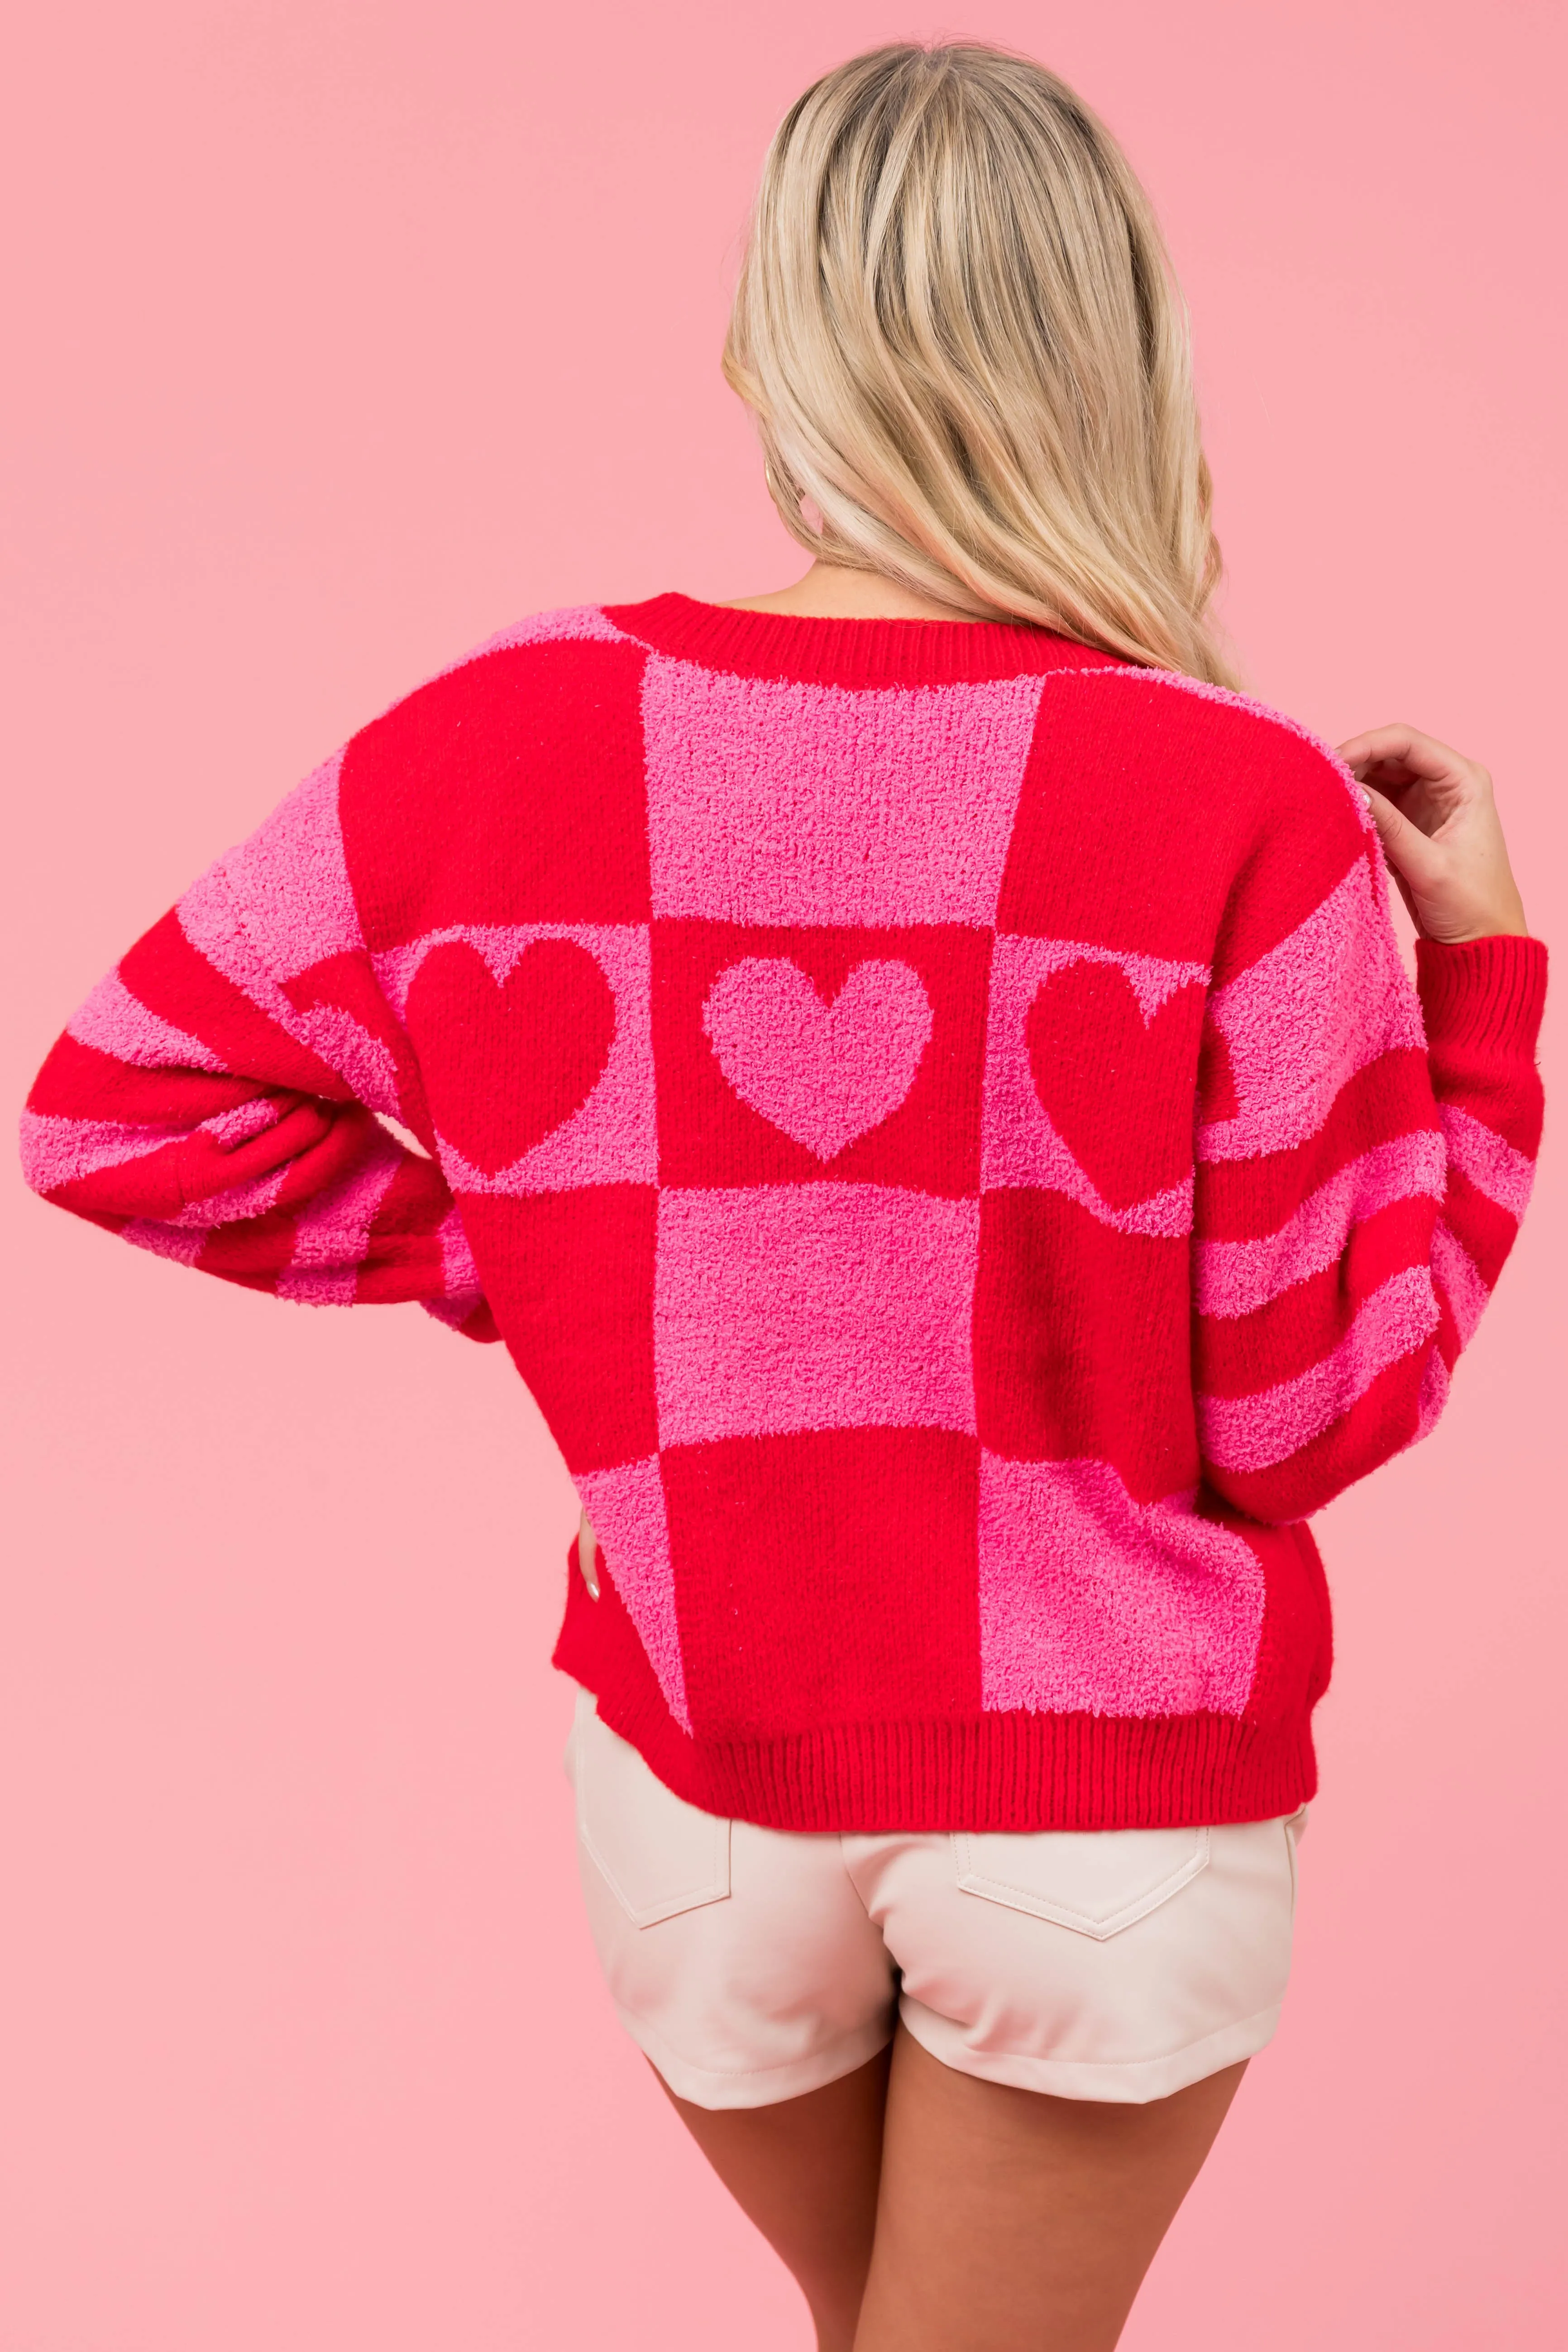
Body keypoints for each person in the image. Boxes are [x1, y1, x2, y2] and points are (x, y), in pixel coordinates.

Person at [21, 40, 1546, 2352]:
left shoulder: (491, 734)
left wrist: (543, 1257)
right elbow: (1318, 1410)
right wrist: (1484, 995)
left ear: (763, 346)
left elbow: (116, 1112)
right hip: (1095, 1816)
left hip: (697, 1805)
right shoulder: (1237, 804)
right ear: (1119, 353)